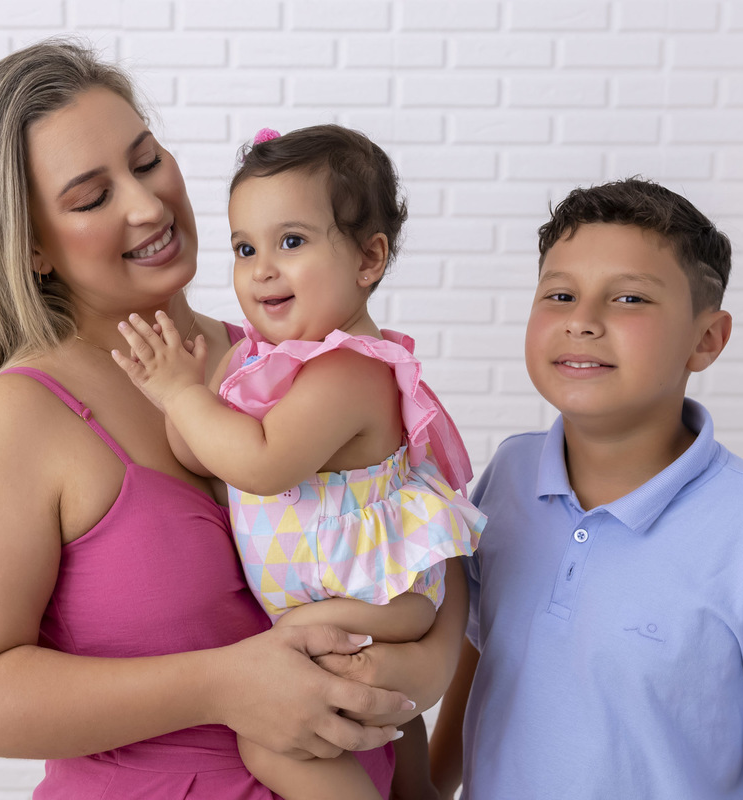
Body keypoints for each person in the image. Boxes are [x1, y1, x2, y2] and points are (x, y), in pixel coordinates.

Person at [0, 40, 471, 800]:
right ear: (33, 246)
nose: (146, 206)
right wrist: (218, 686)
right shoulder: (19, 417)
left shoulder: (286, 364)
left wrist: (424, 663)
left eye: (145, 162)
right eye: (90, 197)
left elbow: (415, 525)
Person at [428, 178, 743, 800]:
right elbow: (487, 654)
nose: (582, 321)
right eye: (561, 293)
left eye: (629, 299)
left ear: (707, 339)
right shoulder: (510, 474)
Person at [113, 124, 485, 800]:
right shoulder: (259, 360)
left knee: (267, 733)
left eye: (292, 242)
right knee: (386, 725)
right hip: (338, 594)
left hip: (378, 595)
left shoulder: (347, 372)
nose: (262, 269)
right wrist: (195, 401)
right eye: (244, 247)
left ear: (369, 260)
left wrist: (180, 393)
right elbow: (193, 450)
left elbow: (260, 466)